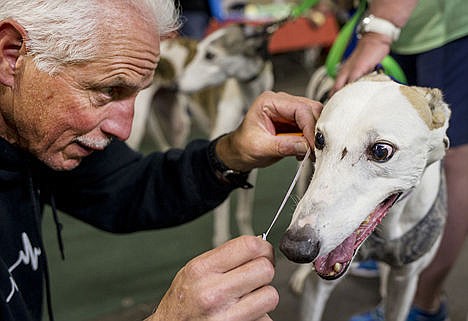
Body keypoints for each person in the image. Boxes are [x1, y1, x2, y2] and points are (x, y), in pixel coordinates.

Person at [0, 1, 323, 321]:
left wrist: (231, 153)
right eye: (108, 90)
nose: (123, 128)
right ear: (11, 54)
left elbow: (124, 186)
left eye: (136, 94)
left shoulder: (35, 134)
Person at [332, 0, 468, 320]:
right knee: (379, 141)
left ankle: (423, 304)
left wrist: (380, 31)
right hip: (390, 22)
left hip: (447, 29)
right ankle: (377, 242)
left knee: (451, 162)